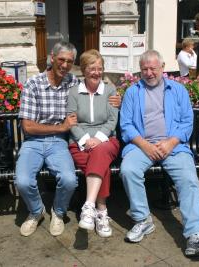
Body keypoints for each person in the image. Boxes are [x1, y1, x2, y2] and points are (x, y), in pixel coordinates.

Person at [16, 41, 121, 238]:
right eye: (61, 60)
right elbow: (27, 126)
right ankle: (36, 212)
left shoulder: (74, 82)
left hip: (60, 142)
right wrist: (69, 131)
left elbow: (108, 106)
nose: (64, 65)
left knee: (70, 179)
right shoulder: (35, 84)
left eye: (69, 61)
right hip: (36, 142)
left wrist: (116, 99)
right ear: (52, 58)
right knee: (22, 181)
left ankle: (65, 211)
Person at [119, 49, 199, 257]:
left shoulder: (177, 90)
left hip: (173, 146)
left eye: (153, 68)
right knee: (128, 170)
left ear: (163, 68)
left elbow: (186, 122)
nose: (149, 73)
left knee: (188, 178)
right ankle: (142, 220)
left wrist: (170, 142)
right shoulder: (132, 92)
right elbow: (126, 125)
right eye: (144, 69)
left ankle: (195, 235)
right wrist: (145, 145)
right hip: (141, 146)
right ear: (140, 70)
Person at [67, 49, 120, 238]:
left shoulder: (110, 91)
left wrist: (97, 138)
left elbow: (112, 121)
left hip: (106, 140)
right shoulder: (74, 92)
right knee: (101, 165)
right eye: (92, 68)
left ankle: (88, 206)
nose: (96, 72)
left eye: (100, 68)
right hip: (80, 141)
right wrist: (84, 139)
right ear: (83, 70)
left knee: (100, 153)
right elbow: (71, 120)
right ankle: (102, 210)